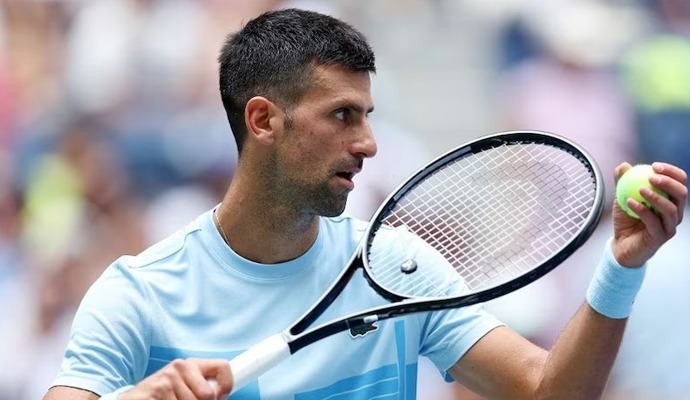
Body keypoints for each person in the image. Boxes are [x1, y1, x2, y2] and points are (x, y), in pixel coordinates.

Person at [43, 8, 688, 400]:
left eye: (368, 115)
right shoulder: (138, 295)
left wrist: (621, 266)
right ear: (263, 120)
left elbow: (549, 391)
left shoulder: (397, 268)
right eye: (342, 116)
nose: (369, 144)